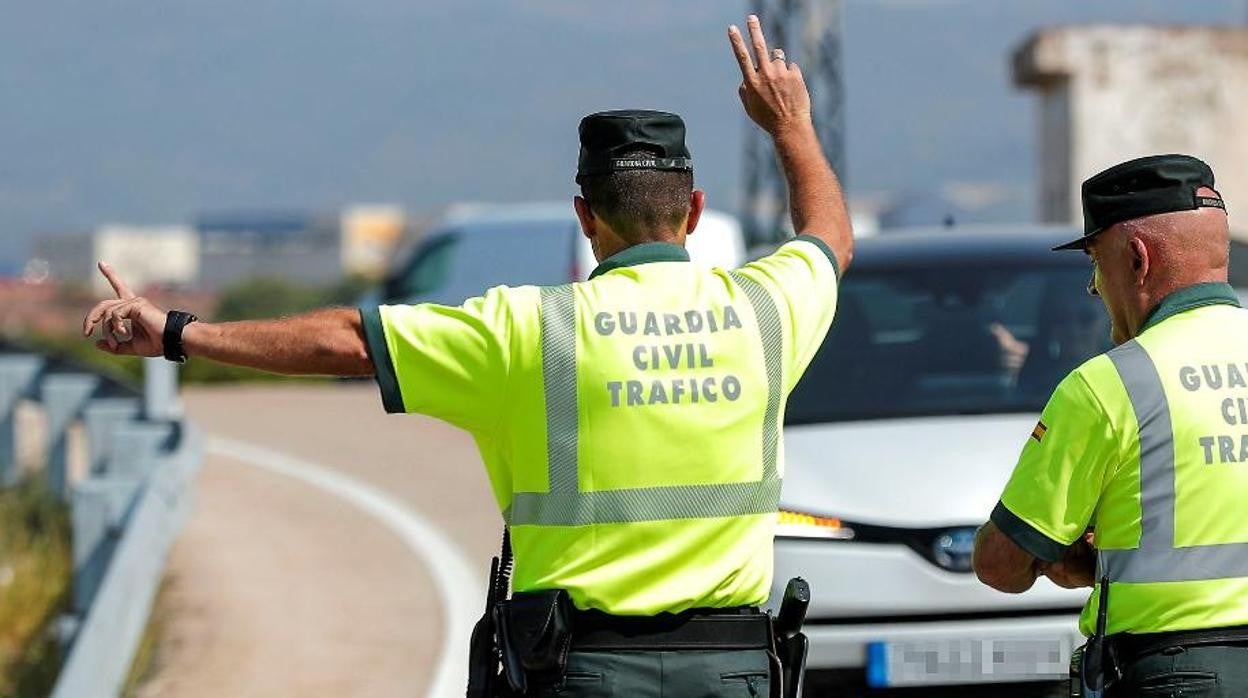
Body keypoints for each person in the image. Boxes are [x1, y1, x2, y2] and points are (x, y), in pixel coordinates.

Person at [82, 15, 852, 697]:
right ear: (695, 210)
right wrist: (790, 127)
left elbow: (351, 340)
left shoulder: (528, 329)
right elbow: (827, 239)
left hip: (584, 671)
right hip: (733, 670)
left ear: (585, 215)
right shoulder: (766, 310)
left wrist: (179, 332)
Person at [971, 154, 1248, 696]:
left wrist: (1076, 558)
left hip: (1178, 674)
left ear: (1137, 259)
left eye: (1096, 262)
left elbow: (1001, 565)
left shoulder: (1109, 385)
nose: (1095, 287)